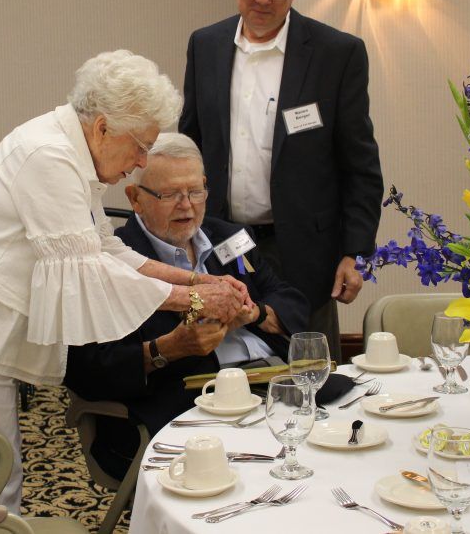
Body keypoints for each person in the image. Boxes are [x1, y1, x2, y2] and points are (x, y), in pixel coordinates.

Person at [0, 50, 250, 511]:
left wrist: (199, 283)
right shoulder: (49, 155)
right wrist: (197, 302)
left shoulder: (72, 150)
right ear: (103, 127)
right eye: (140, 146)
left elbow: (107, 250)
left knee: (0, 465)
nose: (142, 161)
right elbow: (89, 271)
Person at [179, 0, 383, 360]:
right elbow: (190, 143)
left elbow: (360, 166)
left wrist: (354, 252)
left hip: (304, 251)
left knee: (311, 370)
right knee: (228, 363)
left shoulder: (336, 53)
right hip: (224, 239)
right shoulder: (205, 45)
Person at [64, 133, 310, 480]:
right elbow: (87, 368)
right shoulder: (111, 260)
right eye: (169, 195)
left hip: (272, 386)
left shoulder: (230, 237)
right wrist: (169, 348)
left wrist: (254, 313)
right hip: (186, 409)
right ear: (135, 198)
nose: (187, 205)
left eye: (195, 191)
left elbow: (289, 298)